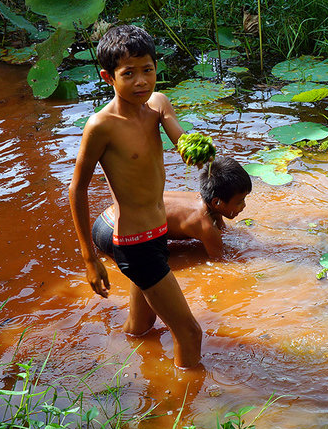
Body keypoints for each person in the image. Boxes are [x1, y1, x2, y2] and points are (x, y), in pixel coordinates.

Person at [69, 24, 202, 369]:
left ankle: (115, 364)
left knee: (141, 328)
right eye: (129, 74)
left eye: (148, 70)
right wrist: (89, 259)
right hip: (134, 243)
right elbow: (77, 189)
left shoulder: (157, 104)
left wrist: (196, 149)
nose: (141, 81)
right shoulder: (101, 126)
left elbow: (181, 141)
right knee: (189, 333)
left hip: (159, 234)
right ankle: (187, 411)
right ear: (107, 77)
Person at [92, 157, 251, 259]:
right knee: (160, 265)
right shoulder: (206, 226)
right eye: (239, 201)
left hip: (106, 218)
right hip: (116, 235)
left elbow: (222, 229)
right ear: (217, 202)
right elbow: (220, 261)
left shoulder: (206, 201)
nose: (243, 206)